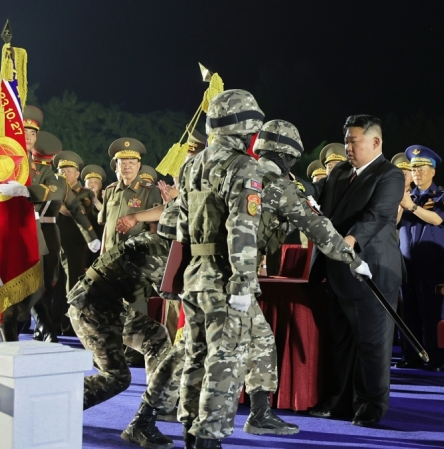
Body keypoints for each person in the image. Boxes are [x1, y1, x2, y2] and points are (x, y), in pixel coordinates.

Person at [121, 119, 371, 449]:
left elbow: (172, 219)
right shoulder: (278, 186)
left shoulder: (222, 170)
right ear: (289, 155)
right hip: (230, 281)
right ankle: (190, 430)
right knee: (215, 357)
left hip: (198, 274)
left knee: (257, 340)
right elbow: (319, 229)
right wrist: (354, 260)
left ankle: (258, 412)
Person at [174, 89, 264, 449]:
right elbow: (241, 230)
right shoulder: (243, 166)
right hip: (224, 278)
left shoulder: (191, 165)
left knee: (195, 355)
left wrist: (176, 276)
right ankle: (208, 438)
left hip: (193, 275)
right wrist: (243, 283)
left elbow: (181, 228)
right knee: (225, 362)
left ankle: (188, 428)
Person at [308, 115, 403, 427]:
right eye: (346, 139)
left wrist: (345, 242)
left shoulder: (389, 175)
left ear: (375, 142)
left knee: (372, 345)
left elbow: (376, 217)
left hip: (372, 271)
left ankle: (371, 407)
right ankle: (337, 403)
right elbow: (318, 197)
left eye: (354, 141)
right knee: (339, 342)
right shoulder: (340, 174)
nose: (348, 146)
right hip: (337, 272)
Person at [0, 106, 65, 342]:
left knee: (36, 288)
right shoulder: (1, 161)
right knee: (9, 288)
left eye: (33, 133)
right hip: (7, 233)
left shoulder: (40, 169)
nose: (28, 136)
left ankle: (23, 323)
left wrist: (26, 190)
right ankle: (9, 332)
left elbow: (57, 191)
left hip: (33, 234)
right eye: (24, 130)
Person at [395, 146, 444, 370]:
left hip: (431, 263)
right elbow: (394, 222)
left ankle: (435, 357)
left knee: (431, 310)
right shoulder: (407, 196)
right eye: (414, 168)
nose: (417, 172)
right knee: (409, 311)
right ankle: (411, 354)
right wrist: (402, 202)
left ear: (433, 171)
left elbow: (438, 220)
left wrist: (413, 207)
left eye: (422, 168)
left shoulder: (442, 195)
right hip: (407, 262)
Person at [99, 138, 163, 316]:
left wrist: (150, 258)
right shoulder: (111, 190)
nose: (127, 166)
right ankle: (117, 342)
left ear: (139, 165)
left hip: (135, 258)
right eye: (123, 163)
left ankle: (135, 342)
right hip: (111, 257)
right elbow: (107, 224)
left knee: (135, 304)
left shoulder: (149, 190)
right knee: (112, 301)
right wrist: (101, 255)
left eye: (131, 163)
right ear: (116, 165)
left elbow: (154, 227)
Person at [54, 151, 101, 335]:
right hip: (53, 244)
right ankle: (53, 323)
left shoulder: (84, 193)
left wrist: (51, 198)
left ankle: (72, 326)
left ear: (77, 173)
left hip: (74, 246)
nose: (64, 173)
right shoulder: (54, 190)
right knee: (53, 285)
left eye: (68, 170)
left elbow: (72, 211)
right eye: (60, 170)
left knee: (73, 286)